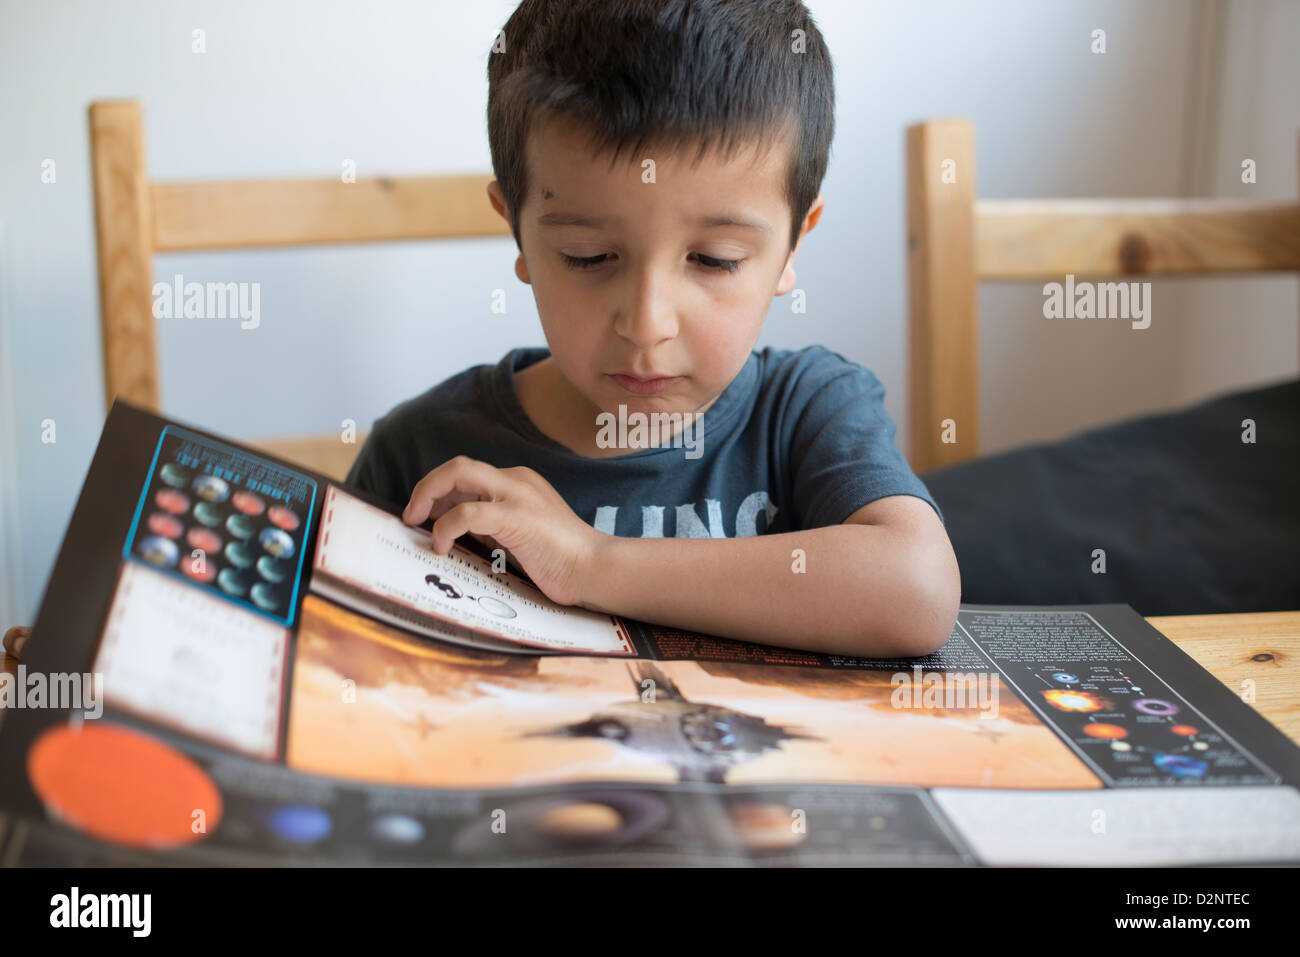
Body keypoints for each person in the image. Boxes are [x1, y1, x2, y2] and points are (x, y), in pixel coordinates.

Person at [346, 0, 960, 658]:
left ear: (792, 245)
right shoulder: (427, 457)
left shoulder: (806, 410)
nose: (646, 324)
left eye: (714, 260)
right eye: (589, 256)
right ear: (517, 229)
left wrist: (592, 563)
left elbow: (916, 590)